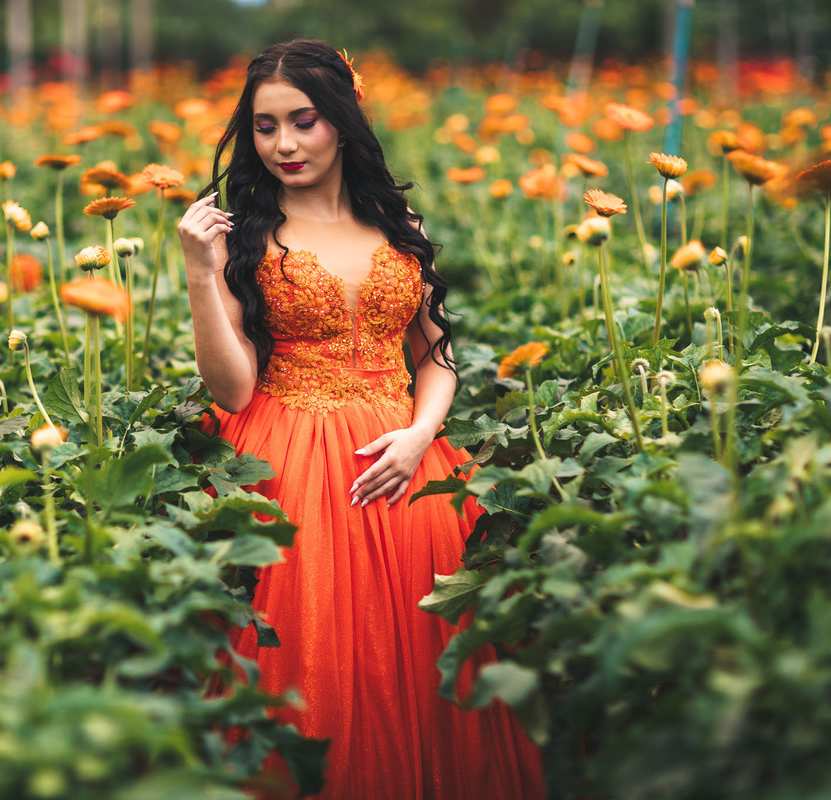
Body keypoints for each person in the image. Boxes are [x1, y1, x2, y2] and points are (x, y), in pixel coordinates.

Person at [177, 39, 543, 799]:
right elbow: (234, 390)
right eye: (266, 126)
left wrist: (420, 434)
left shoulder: (396, 222)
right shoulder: (245, 236)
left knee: (418, 655)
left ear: (342, 121)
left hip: (406, 463)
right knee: (312, 660)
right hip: (290, 460)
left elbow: (437, 354)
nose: (283, 144)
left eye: (303, 121)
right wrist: (199, 276)